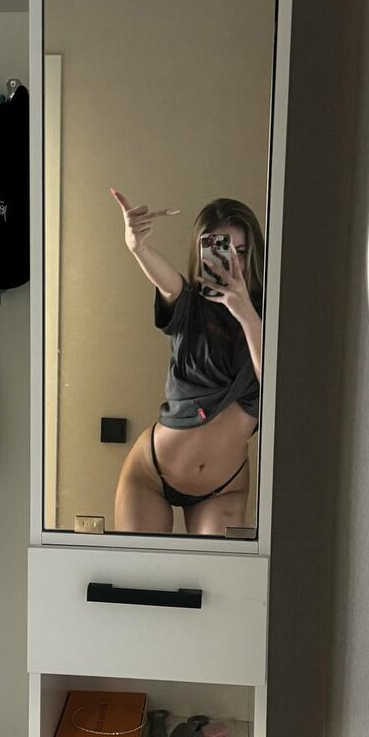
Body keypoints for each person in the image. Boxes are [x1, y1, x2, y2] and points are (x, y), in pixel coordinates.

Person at [110, 187, 263, 536]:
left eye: (241, 252)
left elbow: (276, 392)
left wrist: (246, 314)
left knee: (216, 573)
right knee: (141, 571)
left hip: (224, 487)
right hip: (152, 473)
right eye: (222, 250)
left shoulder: (269, 321)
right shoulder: (190, 304)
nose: (233, 264)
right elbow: (166, 282)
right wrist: (137, 246)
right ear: (203, 252)